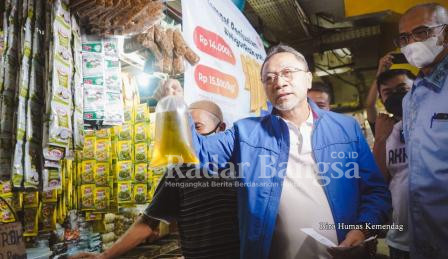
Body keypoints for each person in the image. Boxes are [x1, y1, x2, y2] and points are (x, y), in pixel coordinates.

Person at [186, 44, 391, 259]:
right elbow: (198, 153)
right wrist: (173, 106)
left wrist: (362, 229)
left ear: (308, 79)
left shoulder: (345, 128)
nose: (279, 82)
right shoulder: (245, 132)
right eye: (269, 78)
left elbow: (376, 192)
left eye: (287, 73)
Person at [69, 97, 239, 259]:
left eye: (197, 128)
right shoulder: (179, 170)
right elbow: (148, 222)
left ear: (221, 128)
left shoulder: (242, 166)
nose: (190, 138)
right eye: (186, 130)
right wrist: (104, 256)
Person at [396, 3, 448, 259]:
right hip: (424, 239)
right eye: (404, 38)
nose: (411, 43)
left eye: (421, 32)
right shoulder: (412, 98)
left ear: (445, 34)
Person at [371, 69, 415, 259]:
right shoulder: (388, 132)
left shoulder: (437, 122)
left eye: (402, 88)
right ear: (381, 98)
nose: (396, 96)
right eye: (388, 92)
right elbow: (378, 181)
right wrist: (380, 139)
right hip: (401, 240)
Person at [365, 54, 415, 135]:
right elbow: (370, 105)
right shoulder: (383, 128)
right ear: (381, 100)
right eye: (388, 92)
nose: (395, 94)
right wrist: (380, 72)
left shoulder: (429, 118)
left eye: (402, 89)